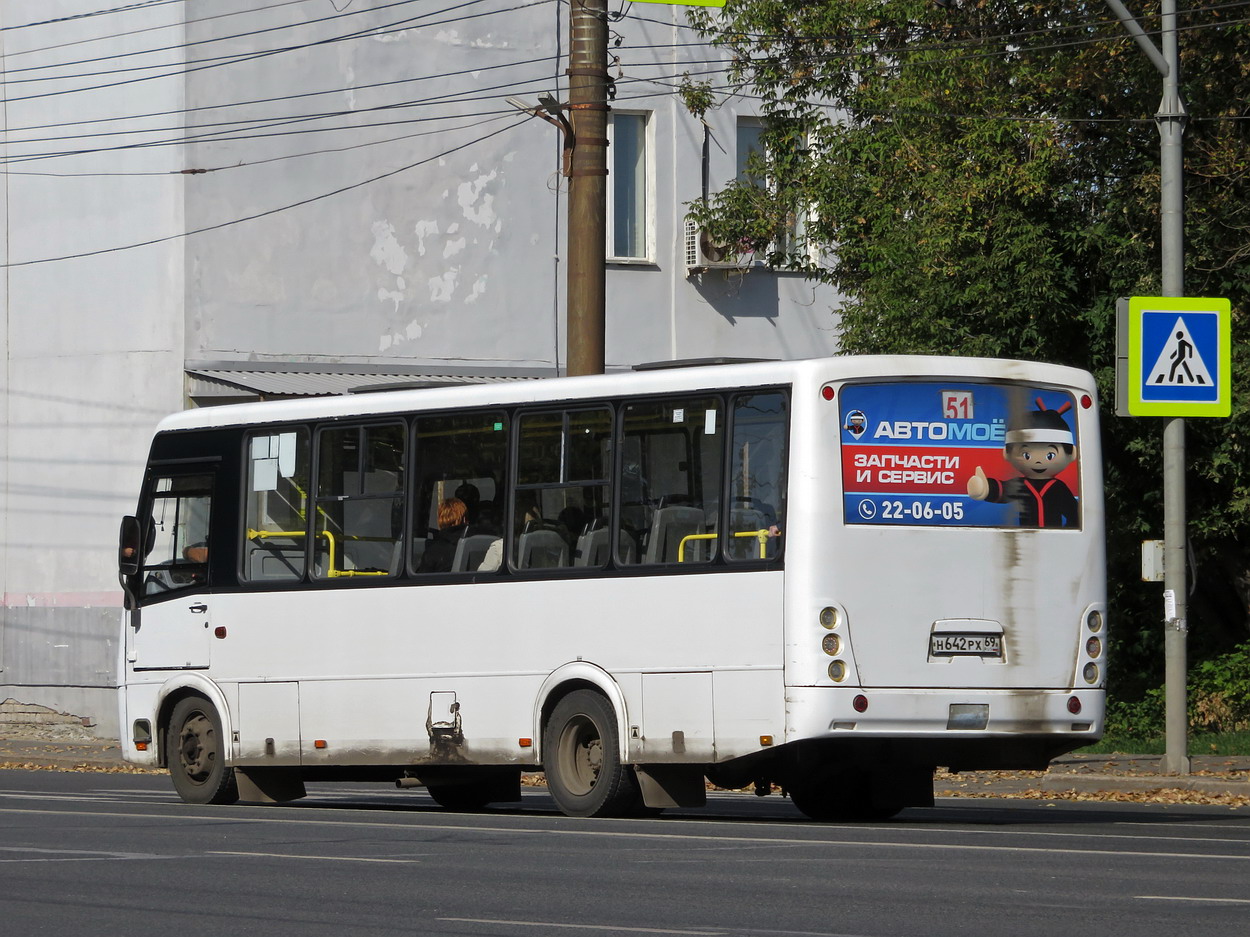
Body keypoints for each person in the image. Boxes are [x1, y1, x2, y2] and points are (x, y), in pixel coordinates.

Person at [416, 498, 468, 573]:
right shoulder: (476, 544)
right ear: (464, 519)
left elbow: (421, 581)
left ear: (440, 520)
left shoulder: (433, 552)